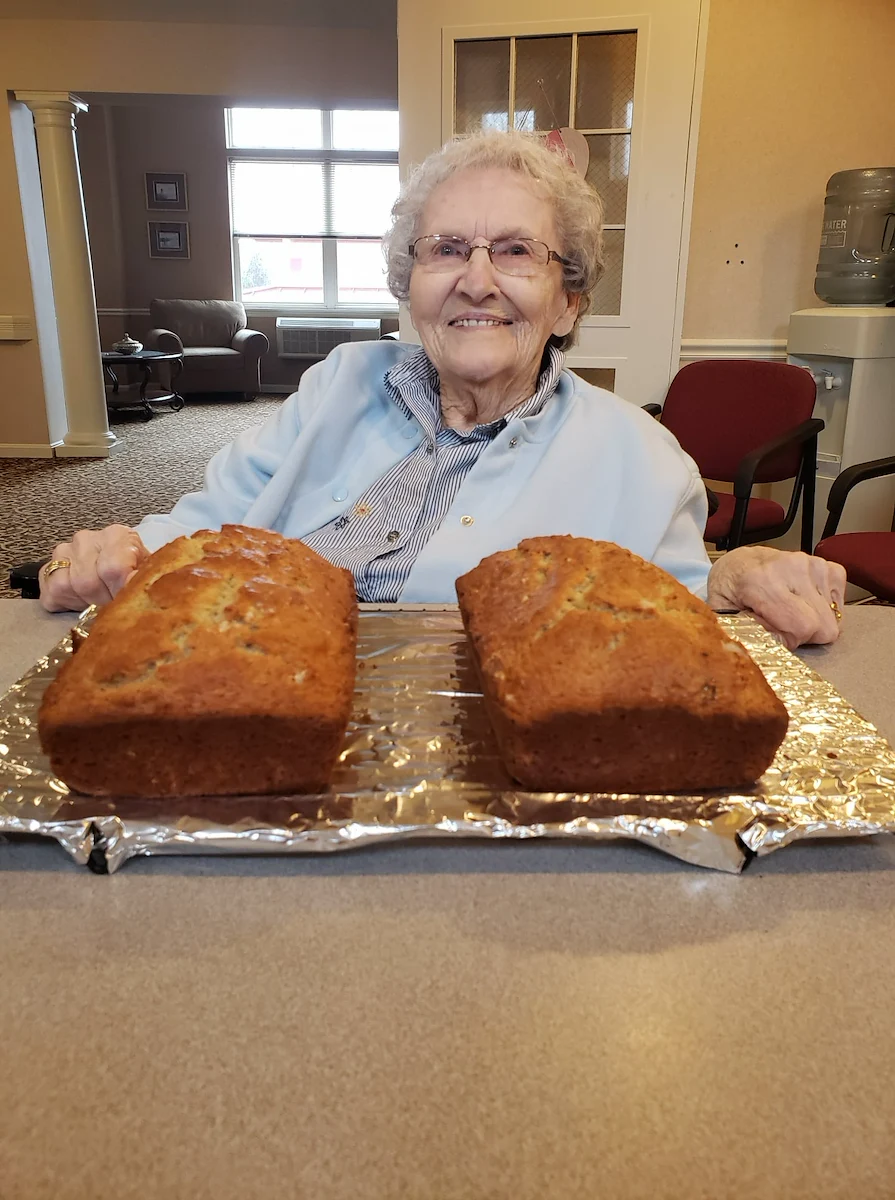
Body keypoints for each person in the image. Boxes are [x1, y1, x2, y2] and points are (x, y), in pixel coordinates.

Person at [40, 129, 845, 650]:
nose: (476, 281)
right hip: (253, 686)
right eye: (447, 248)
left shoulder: (639, 454)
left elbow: (661, 607)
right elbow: (210, 524)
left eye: (517, 252)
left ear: (569, 300)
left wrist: (733, 579)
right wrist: (123, 549)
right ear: (410, 281)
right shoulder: (340, 382)